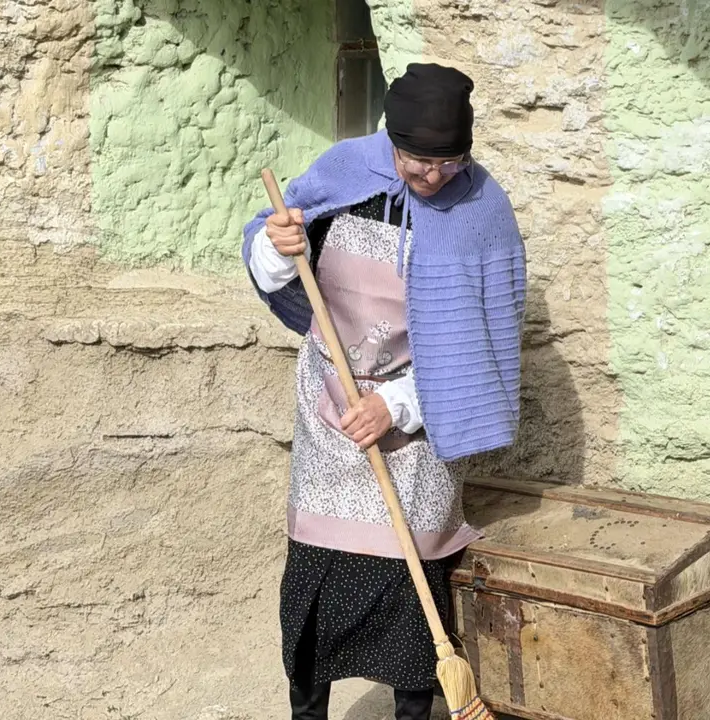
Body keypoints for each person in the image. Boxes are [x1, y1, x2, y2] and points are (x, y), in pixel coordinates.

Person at [240, 63, 525, 720]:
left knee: (407, 599)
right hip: (331, 408)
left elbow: (484, 344)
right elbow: (273, 250)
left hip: (420, 422)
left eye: (446, 164)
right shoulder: (345, 170)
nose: (430, 178)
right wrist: (279, 245)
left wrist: (396, 405)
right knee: (315, 583)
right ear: (387, 141)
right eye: (414, 162)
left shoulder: (482, 208)